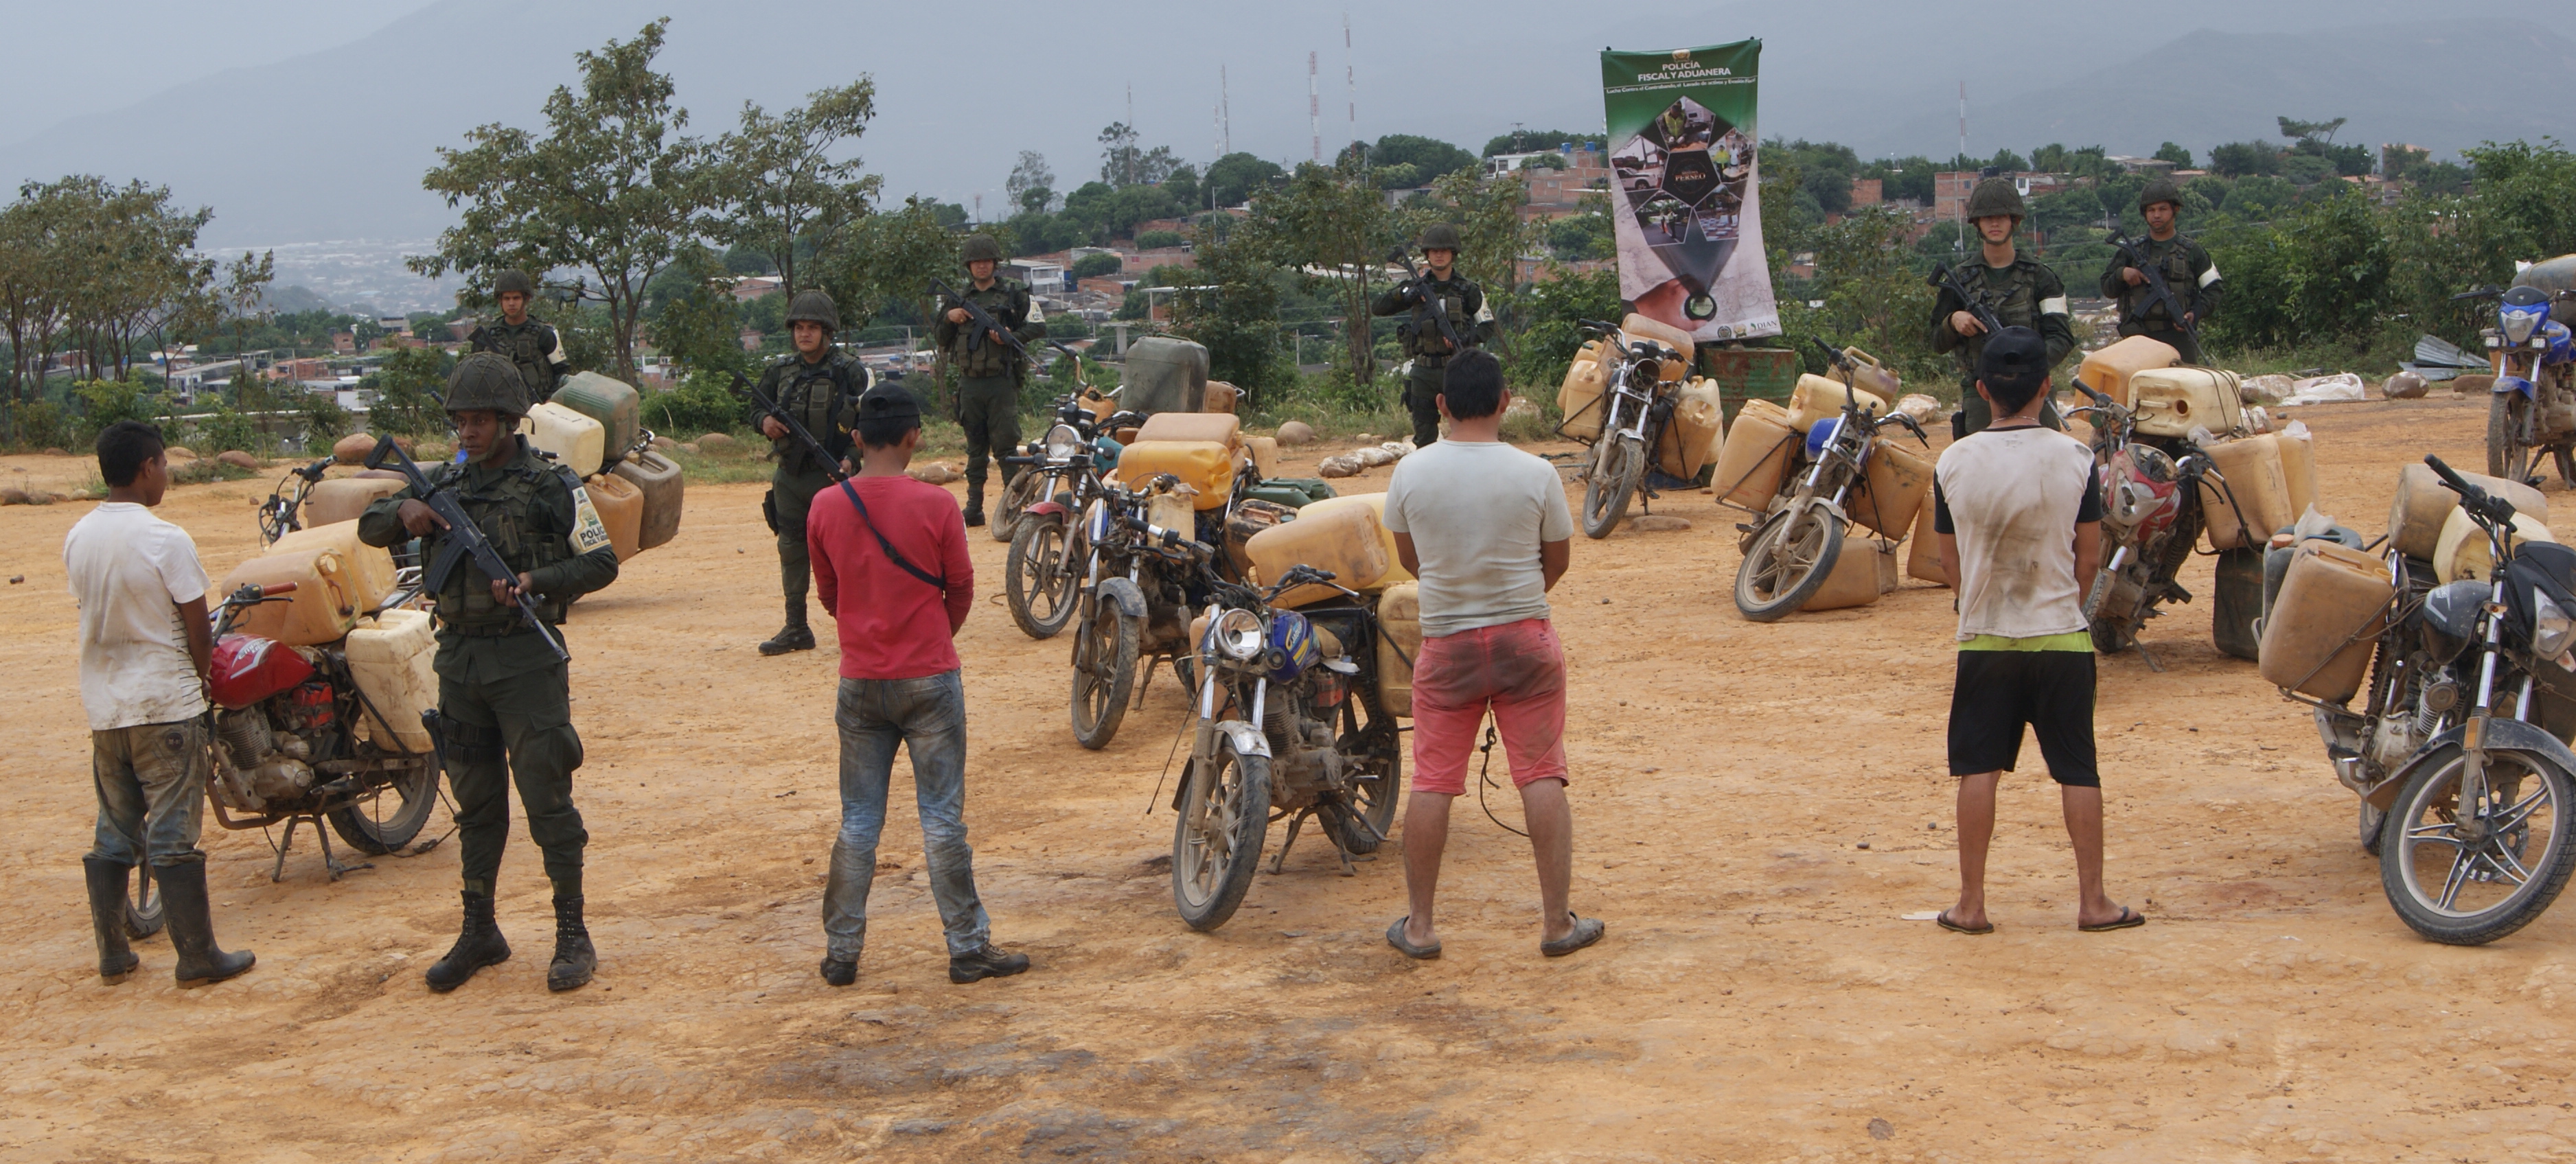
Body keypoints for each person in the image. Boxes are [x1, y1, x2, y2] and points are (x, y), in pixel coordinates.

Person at [358, 352, 621, 992]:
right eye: (461, 422)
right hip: (460, 662)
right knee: (476, 805)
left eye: (481, 421)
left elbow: (602, 562)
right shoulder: (443, 485)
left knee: (547, 802)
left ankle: (571, 933)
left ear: (511, 422)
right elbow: (370, 524)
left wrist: (535, 581)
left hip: (526, 664)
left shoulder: (552, 485)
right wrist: (405, 516)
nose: (469, 433)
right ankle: (480, 928)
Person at [1380, 349, 1602, 960]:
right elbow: (1556, 561)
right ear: (1506, 402)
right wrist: (1517, 605)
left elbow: (1411, 560)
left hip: (1447, 645)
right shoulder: (1537, 475)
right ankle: (1557, 924)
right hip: (1524, 642)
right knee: (1541, 773)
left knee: (1432, 781)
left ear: (1442, 405)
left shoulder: (1411, 472)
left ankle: (1421, 927)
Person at [806, 384, 1029, 988]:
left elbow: (829, 595)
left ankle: (842, 952)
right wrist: (934, 636)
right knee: (941, 820)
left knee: (858, 822)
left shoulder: (825, 506)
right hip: (930, 677)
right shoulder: (936, 506)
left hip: (860, 681)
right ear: (914, 438)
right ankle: (967, 947)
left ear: (856, 438)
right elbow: (960, 588)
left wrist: (863, 633)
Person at [1930, 327, 2141, 936]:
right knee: (2078, 768)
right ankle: (2093, 902)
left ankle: (1971, 905)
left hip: (1986, 637)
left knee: (1979, 768)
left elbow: (1950, 562)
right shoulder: (2076, 458)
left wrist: (1975, 603)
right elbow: (2089, 558)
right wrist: (2063, 607)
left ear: (1981, 390)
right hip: (2062, 638)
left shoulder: (1953, 461)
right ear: (2047, 387)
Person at [63, 421, 255, 988]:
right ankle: (197, 957)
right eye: (165, 466)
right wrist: (200, 683)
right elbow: (200, 631)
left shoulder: (79, 535)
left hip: (106, 708)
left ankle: (114, 954)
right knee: (174, 833)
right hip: (164, 705)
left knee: (115, 828)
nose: (167, 475)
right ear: (147, 467)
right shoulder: (165, 537)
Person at [750, 289, 869, 656]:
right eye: (799, 327)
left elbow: (865, 422)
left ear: (827, 331)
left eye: (812, 328)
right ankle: (796, 626)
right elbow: (754, 407)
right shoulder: (779, 371)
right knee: (791, 548)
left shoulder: (848, 370)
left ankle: (860, 628)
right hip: (789, 475)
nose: (804, 334)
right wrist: (764, 421)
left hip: (830, 477)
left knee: (843, 554)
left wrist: (851, 460)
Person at [1928, 178, 2077, 436]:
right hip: (1982, 393)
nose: (1994, 224)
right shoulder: (1959, 279)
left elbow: (2062, 338)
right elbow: (1934, 341)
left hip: (2033, 392)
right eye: (1987, 218)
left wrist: (2026, 365)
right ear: (1977, 224)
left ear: (2014, 221)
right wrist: (1953, 322)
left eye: (2001, 217)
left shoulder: (2041, 276)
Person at [933, 233, 1045, 527]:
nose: (981, 267)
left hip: (1000, 382)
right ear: (968, 266)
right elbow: (941, 339)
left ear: (995, 264)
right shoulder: (958, 300)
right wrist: (949, 318)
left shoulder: (1015, 296)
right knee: (975, 448)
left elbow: (1038, 325)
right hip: (970, 384)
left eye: (986, 261)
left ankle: (1013, 505)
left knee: (1006, 448)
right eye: (976, 262)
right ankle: (974, 507)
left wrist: (1011, 338)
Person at [1372, 223, 1495, 450]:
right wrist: (1405, 295)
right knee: (1424, 438)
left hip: (1457, 369)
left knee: (1467, 432)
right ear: (1427, 255)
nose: (1439, 255)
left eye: (1444, 250)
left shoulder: (1468, 290)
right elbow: (1378, 307)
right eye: (1434, 251)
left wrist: (1467, 338)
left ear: (1453, 254)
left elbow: (1488, 326)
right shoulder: (1414, 288)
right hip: (1423, 371)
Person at [2100, 177, 2221, 365]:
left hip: (2178, 338)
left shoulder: (2192, 251)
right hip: (2138, 340)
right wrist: (2122, 274)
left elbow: (2214, 289)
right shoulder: (2131, 251)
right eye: (2151, 210)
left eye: (2163, 209)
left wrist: (2195, 313)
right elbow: (2107, 287)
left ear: (2175, 210)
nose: (2156, 215)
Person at [466, 269, 569, 406]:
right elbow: (474, 374)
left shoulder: (544, 334)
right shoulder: (488, 336)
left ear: (526, 299)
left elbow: (562, 373)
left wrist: (550, 400)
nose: (511, 303)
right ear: (500, 301)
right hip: (498, 408)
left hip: (538, 408)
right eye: (507, 299)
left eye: (516, 298)